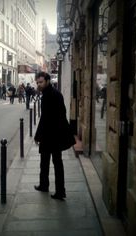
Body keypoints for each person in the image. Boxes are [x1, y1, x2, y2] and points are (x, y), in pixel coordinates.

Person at [34, 72, 76, 200]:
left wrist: (38, 135)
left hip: (52, 134)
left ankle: (58, 191)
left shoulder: (49, 95)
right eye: (37, 82)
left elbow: (45, 118)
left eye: (41, 82)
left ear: (47, 81)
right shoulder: (52, 93)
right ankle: (45, 185)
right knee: (47, 161)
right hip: (53, 134)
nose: (39, 84)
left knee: (55, 162)